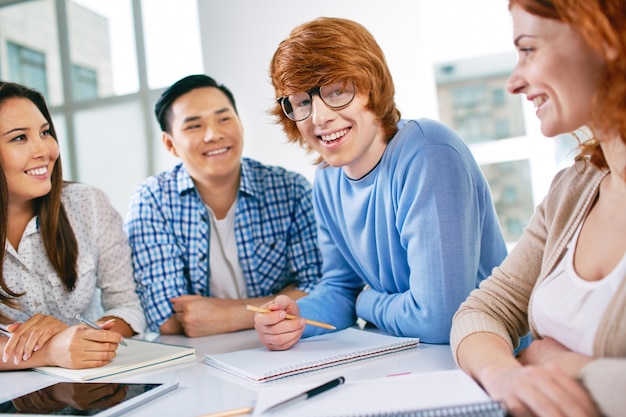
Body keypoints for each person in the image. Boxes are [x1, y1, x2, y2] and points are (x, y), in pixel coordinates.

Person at [251, 17, 507, 351]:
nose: (319, 117)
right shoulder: (327, 180)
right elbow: (341, 289)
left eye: (337, 91)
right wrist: (297, 316)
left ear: (372, 86)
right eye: (301, 102)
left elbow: (442, 319)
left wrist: (367, 303)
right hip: (409, 358)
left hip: (486, 359)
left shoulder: (428, 152)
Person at [450, 1, 626, 416]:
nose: (513, 82)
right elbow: (482, 310)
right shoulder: (574, 188)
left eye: (528, 49)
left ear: (604, 37)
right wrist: (506, 376)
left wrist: (567, 367)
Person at [124, 75, 322, 337]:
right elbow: (165, 317)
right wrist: (279, 301)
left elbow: (318, 287)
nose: (213, 134)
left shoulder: (291, 189)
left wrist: (229, 316)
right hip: (199, 360)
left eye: (224, 119)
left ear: (240, 125)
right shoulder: (152, 200)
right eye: (194, 126)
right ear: (170, 144)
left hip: (285, 343)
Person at [0, 81, 146, 370]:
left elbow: (128, 309)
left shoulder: (88, 204)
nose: (44, 150)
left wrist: (87, 339)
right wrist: (52, 350)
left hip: (90, 390)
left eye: (45, 133)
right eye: (19, 138)